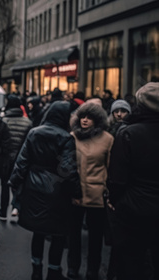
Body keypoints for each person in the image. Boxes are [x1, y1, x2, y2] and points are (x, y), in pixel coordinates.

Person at [8, 101, 79, 280]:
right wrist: (77, 192)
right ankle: (53, 271)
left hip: (34, 187)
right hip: (57, 191)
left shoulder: (34, 133)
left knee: (38, 232)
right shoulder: (66, 138)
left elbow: (22, 161)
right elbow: (68, 170)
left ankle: (36, 269)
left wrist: (15, 183)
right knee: (57, 234)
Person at [107, 82, 159, 280]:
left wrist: (115, 200)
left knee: (132, 263)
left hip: (134, 208)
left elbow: (117, 177)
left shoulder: (128, 132)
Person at [67, 102, 114, 280]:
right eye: (82, 117)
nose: (85, 120)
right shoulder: (72, 137)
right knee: (74, 234)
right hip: (76, 192)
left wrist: (109, 192)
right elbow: (67, 165)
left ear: (97, 120)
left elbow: (110, 169)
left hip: (97, 193)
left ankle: (92, 269)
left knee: (96, 236)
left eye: (89, 117)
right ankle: (72, 266)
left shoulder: (108, 139)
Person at [1, 95, 32, 218]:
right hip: (21, 158)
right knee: (19, 184)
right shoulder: (28, 122)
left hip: (6, 158)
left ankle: (3, 211)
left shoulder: (3, 121)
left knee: (4, 185)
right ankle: (17, 207)